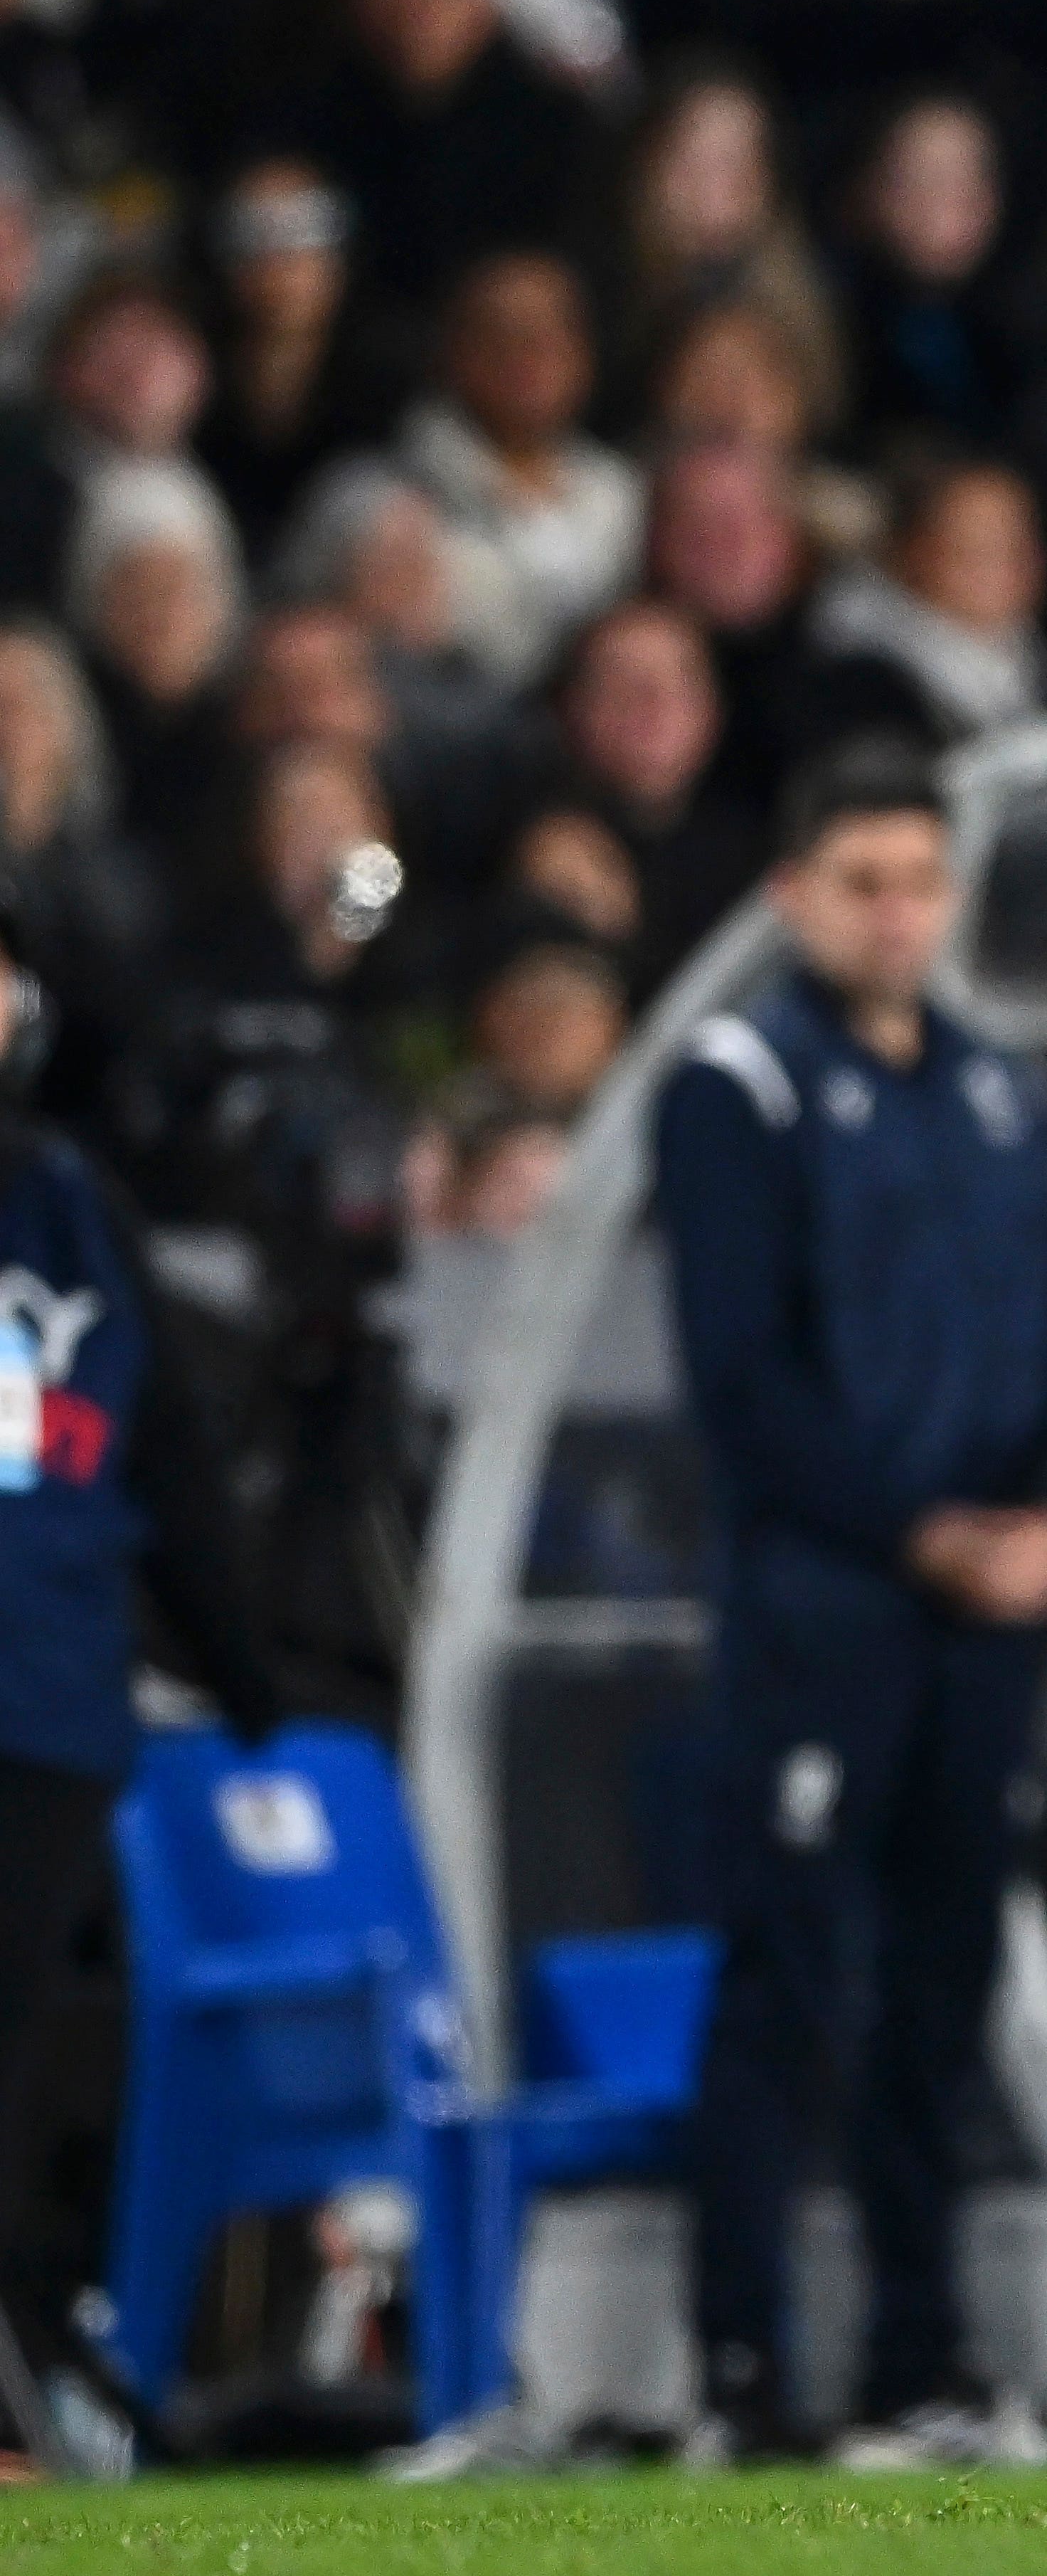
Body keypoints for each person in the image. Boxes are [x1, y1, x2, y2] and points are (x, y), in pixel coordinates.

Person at [654, 744, 1047, 2469]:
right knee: (785, 1977)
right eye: (865, 881)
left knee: (944, 1982)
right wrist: (926, 1532)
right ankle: (743, 2374)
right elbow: (742, 1382)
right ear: (791, 896)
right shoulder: (738, 1086)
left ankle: (923, 2362)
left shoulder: (997, 1086)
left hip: (983, 1614)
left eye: (921, 878)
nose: (900, 912)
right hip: (824, 1606)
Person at [0, 880, 281, 2429]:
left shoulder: (67, 1201)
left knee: (18, 2053)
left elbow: (165, 1452)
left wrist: (247, 1671)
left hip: (42, 1693)